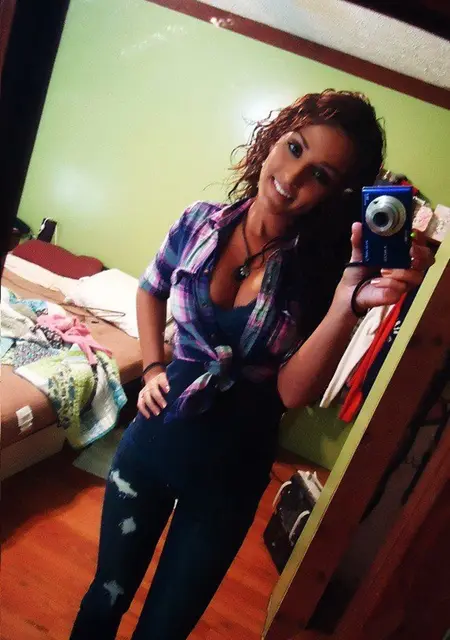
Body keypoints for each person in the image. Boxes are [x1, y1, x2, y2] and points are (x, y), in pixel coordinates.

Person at [70, 90, 432, 639]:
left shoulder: (323, 272)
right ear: (272, 139)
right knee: (104, 597)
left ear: (334, 195)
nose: (292, 177)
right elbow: (151, 288)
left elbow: (290, 393)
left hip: (231, 473)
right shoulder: (199, 222)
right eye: (294, 148)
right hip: (151, 443)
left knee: (165, 628)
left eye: (320, 175)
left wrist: (346, 303)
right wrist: (152, 367)